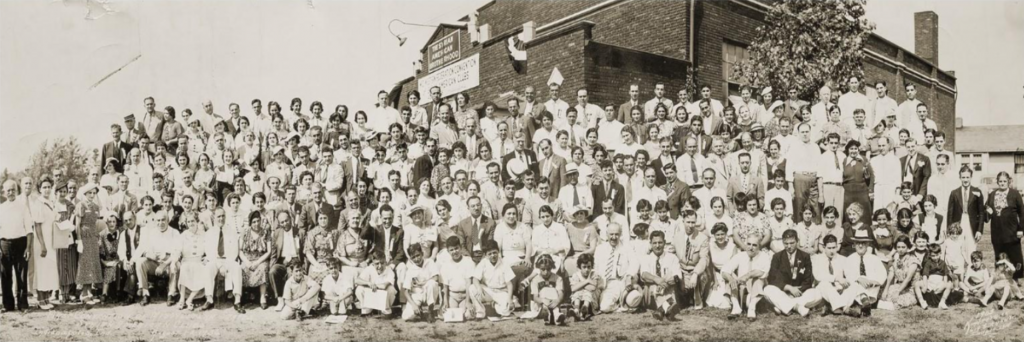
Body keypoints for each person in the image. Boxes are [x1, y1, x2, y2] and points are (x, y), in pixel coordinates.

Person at [763, 229, 817, 317]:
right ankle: (797, 307)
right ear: (783, 243)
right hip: (782, 292)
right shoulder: (777, 257)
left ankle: (782, 306)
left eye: (792, 243)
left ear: (797, 241)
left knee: (816, 293)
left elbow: (808, 280)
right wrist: (788, 288)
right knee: (767, 289)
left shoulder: (805, 256)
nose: (789, 246)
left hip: (799, 293)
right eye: (786, 243)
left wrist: (797, 291)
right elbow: (772, 279)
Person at [200, 209, 244, 313]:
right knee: (208, 268)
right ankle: (209, 299)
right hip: (214, 260)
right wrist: (219, 266)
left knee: (237, 267)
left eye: (223, 216)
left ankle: (237, 300)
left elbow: (234, 251)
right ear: (214, 217)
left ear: (226, 217)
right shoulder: (209, 233)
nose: (221, 218)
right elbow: (208, 251)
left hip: (228, 260)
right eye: (218, 216)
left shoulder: (231, 231)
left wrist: (226, 264)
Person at [1, 180, 35, 311]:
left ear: (17, 190)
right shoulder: (1, 208)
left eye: (13, 190)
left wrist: (28, 247)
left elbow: (29, 230)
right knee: (5, 276)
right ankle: (7, 305)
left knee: (21, 275)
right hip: (4, 244)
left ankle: (22, 304)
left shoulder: (23, 207)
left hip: (20, 243)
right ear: (4, 192)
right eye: (8, 190)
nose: (10, 193)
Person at [984, 172, 1024, 281]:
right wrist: (988, 211)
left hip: (1011, 230)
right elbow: (987, 211)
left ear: (1008, 182)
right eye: (1000, 181)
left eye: (1004, 181)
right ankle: (1000, 277)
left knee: (1015, 256)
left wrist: (1021, 229)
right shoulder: (992, 194)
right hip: (997, 231)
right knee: (999, 255)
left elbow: (1022, 212)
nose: (1002, 183)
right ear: (997, 182)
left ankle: (1017, 277)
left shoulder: (1015, 194)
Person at [722, 235, 770, 320]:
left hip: (758, 287)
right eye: (749, 244)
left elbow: (762, 272)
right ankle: (736, 308)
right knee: (729, 279)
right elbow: (725, 270)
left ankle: (752, 308)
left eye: (754, 245)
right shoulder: (741, 255)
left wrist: (747, 275)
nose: (751, 247)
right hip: (742, 285)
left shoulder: (765, 256)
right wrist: (731, 279)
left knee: (758, 279)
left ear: (759, 246)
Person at [469, 240, 517, 319]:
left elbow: (509, 284)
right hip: (488, 291)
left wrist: (509, 298)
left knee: (506, 311)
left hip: (501, 292)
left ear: (498, 252)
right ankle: (480, 312)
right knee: (472, 288)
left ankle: (494, 305)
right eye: (490, 254)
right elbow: (475, 279)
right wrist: (478, 288)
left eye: (494, 252)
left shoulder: (504, 263)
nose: (493, 255)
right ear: (486, 255)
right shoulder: (483, 263)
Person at [840, 235, 886, 317]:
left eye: (863, 243)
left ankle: (855, 304)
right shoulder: (849, 259)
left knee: (868, 281)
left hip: (871, 287)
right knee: (855, 284)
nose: (860, 246)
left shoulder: (874, 259)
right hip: (857, 285)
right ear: (854, 244)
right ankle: (864, 300)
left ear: (867, 244)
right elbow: (848, 274)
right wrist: (858, 278)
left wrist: (875, 281)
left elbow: (882, 274)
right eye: (858, 243)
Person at [786, 123, 821, 223]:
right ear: (799, 133)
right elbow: (789, 166)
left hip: (813, 179)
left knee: (814, 205)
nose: (805, 134)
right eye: (802, 132)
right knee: (799, 205)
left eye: (807, 132)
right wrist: (790, 185)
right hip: (800, 178)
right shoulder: (794, 147)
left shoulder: (815, 147)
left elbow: (819, 165)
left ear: (810, 132)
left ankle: (815, 230)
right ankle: (799, 228)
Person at [947, 166, 985, 254]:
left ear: (971, 177)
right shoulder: (954, 193)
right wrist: (949, 229)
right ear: (960, 177)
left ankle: (970, 267)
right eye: (963, 177)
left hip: (971, 223)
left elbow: (981, 213)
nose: (965, 179)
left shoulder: (977, 191)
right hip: (959, 222)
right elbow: (950, 213)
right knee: (957, 247)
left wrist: (979, 230)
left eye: (967, 177)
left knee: (971, 247)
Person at [240, 211, 272, 309]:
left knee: (263, 268)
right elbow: (240, 250)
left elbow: (269, 251)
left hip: (261, 259)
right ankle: (245, 295)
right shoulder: (244, 232)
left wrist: (258, 262)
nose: (256, 224)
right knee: (242, 268)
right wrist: (247, 262)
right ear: (250, 223)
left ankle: (263, 298)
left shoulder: (266, 232)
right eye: (254, 222)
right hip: (247, 259)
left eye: (258, 221)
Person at [438, 236, 476, 318]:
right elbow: (445, 286)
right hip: (453, 296)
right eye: (451, 250)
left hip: (465, 295)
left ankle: (468, 307)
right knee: (447, 315)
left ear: (461, 247)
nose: (454, 252)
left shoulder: (468, 261)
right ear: (448, 251)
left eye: (456, 248)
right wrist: (446, 302)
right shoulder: (445, 265)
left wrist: (467, 301)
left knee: (468, 315)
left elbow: (468, 282)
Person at [402, 244, 440, 322]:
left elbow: (436, 277)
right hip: (417, 295)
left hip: (428, 292)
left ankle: (430, 311)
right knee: (406, 316)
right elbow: (405, 291)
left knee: (431, 283)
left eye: (417, 255)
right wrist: (414, 305)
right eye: (413, 257)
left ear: (422, 254)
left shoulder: (430, 262)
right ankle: (419, 311)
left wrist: (424, 283)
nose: (416, 259)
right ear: (411, 259)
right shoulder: (410, 270)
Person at [529, 254, 567, 325]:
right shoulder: (535, 280)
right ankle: (548, 314)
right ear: (538, 268)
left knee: (552, 290)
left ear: (552, 267)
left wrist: (557, 301)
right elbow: (535, 297)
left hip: (554, 303)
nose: (546, 272)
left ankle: (556, 316)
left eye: (548, 269)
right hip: (540, 304)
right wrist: (543, 301)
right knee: (545, 289)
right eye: (543, 269)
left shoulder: (557, 278)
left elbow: (560, 293)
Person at [916, 242, 954, 310]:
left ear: (940, 253)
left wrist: (944, 284)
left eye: (937, 255)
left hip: (939, 282)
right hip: (930, 281)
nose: (935, 257)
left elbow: (945, 274)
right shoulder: (928, 263)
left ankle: (942, 302)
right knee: (916, 284)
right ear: (930, 255)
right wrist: (925, 285)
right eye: (933, 256)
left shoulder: (943, 263)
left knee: (949, 285)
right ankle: (922, 301)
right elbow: (925, 275)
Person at [569, 253, 601, 321]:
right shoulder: (576, 275)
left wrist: (579, 285)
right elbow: (573, 288)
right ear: (579, 267)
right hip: (579, 301)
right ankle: (576, 310)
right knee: (577, 293)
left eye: (589, 267)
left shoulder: (594, 274)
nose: (587, 269)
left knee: (587, 293)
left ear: (592, 266)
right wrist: (587, 281)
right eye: (584, 267)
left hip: (590, 303)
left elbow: (592, 288)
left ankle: (584, 310)